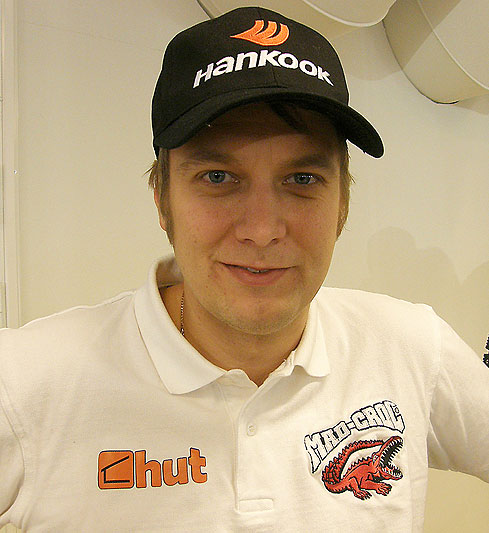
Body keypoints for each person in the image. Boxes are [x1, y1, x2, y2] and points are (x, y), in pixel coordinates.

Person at [0, 6, 487, 532]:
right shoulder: (25, 384)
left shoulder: (411, 348)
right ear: (162, 199)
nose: (262, 229)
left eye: (302, 179)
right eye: (217, 177)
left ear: (343, 204)